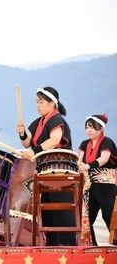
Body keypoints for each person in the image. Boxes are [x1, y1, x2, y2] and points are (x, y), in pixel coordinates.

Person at [16, 86, 77, 246]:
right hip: (45, 172)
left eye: (41, 102)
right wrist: (22, 132)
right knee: (48, 211)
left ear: (52, 103)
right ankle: (52, 244)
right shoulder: (38, 122)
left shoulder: (57, 120)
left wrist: (33, 151)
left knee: (62, 211)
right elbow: (27, 142)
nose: (38, 105)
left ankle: (67, 246)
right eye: (36, 102)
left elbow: (55, 140)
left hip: (60, 171)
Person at [78, 114, 117, 246]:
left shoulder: (107, 142)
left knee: (108, 213)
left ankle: (116, 240)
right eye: (87, 127)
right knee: (86, 217)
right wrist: (80, 166)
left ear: (100, 128)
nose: (88, 130)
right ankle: (91, 244)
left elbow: (104, 159)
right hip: (89, 183)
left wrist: (88, 166)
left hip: (105, 183)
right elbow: (79, 160)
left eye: (92, 128)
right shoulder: (84, 144)